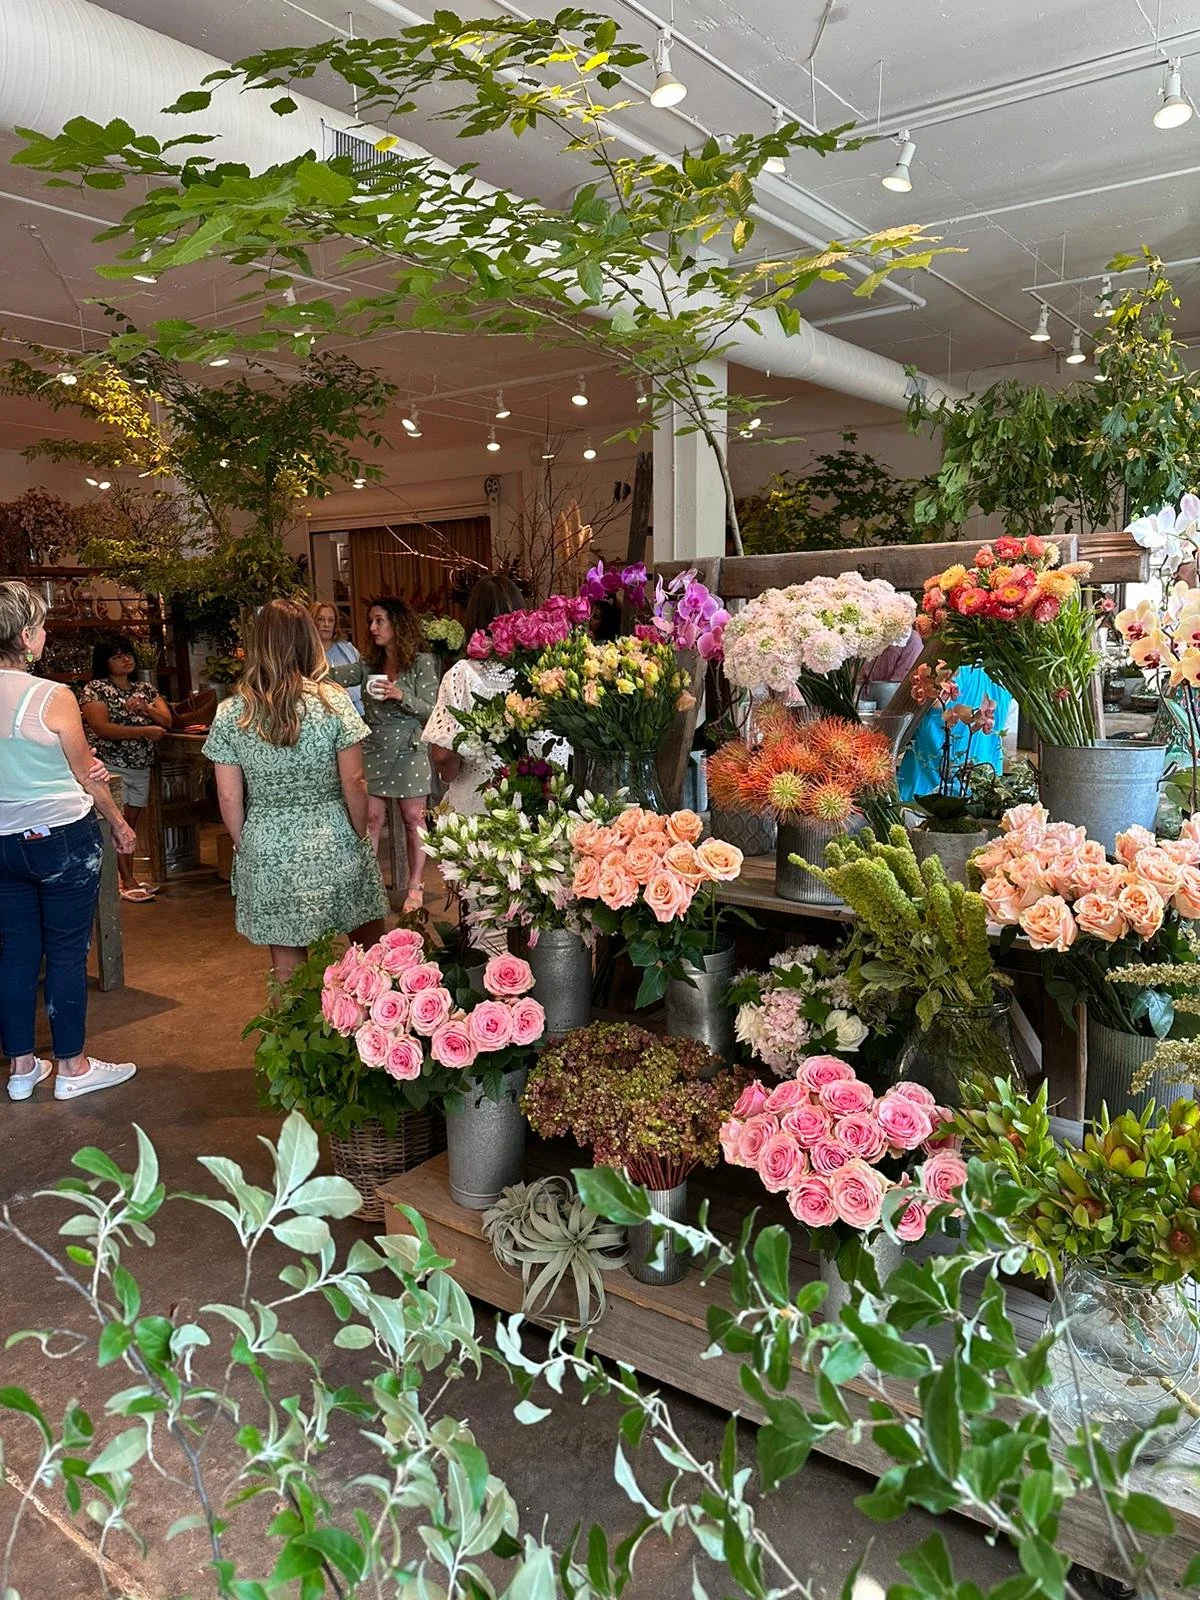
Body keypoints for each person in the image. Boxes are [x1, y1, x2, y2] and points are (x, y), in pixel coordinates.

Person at [0, 582, 139, 1103]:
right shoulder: (51, 696)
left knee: (15, 954)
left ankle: (19, 1069)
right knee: (63, 954)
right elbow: (88, 775)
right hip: (59, 838)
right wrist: (121, 824)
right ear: (27, 635)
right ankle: (73, 1068)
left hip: (3, 843)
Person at [203, 598, 388, 984]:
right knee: (373, 957)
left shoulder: (232, 712)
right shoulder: (333, 701)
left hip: (267, 844)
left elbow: (228, 797)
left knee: (287, 967)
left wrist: (245, 842)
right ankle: (377, 1037)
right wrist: (358, 833)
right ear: (307, 641)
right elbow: (354, 781)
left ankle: (291, 1036)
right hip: (334, 834)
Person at [421, 574, 526, 817]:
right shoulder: (543, 673)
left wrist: (446, 775)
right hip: (538, 808)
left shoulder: (463, 675)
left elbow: (443, 753)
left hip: (478, 808)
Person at [361, 596, 440, 915]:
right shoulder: (369, 665)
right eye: (371, 621)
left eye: (379, 620)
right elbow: (334, 676)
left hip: (410, 748)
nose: (373, 627)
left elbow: (434, 712)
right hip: (375, 746)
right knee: (370, 819)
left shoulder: (422, 663)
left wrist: (401, 695)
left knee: (413, 820)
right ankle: (368, 889)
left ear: (397, 624)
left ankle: (416, 885)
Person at [80, 634, 171, 901]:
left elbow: (166, 721)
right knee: (116, 823)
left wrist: (145, 708)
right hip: (110, 766)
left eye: (127, 653)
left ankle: (126, 877)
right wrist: (143, 730)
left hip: (141, 764)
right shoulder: (95, 689)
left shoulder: (145, 689)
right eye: (117, 655)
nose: (125, 659)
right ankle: (124, 881)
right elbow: (101, 728)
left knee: (131, 822)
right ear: (104, 661)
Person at [310, 598, 364, 713]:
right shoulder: (305, 652)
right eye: (320, 619)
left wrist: (344, 694)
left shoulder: (348, 649)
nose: (326, 624)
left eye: (331, 620)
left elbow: (364, 683)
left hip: (355, 712)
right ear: (312, 622)